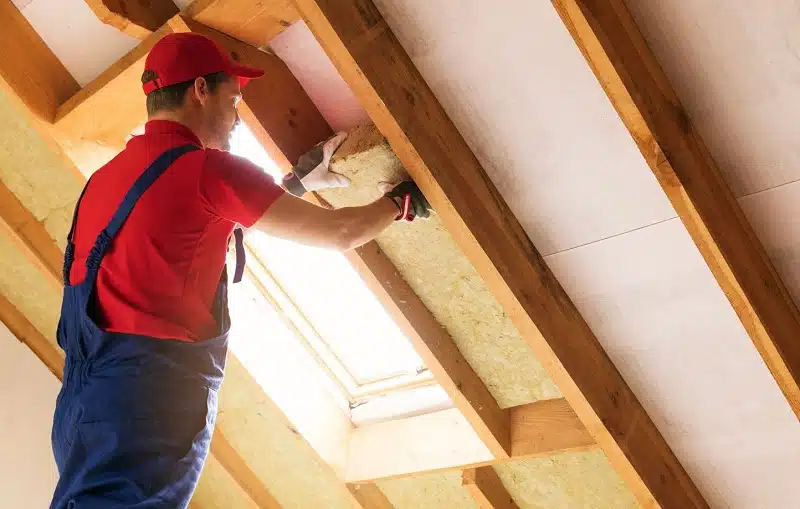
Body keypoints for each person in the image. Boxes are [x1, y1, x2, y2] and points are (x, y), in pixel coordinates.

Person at [49, 32, 430, 509]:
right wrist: (401, 202)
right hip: (149, 405)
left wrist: (288, 185)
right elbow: (340, 233)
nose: (236, 116)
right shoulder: (211, 171)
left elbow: (179, 231)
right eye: (234, 100)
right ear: (200, 91)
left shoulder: (105, 178)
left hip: (83, 409)